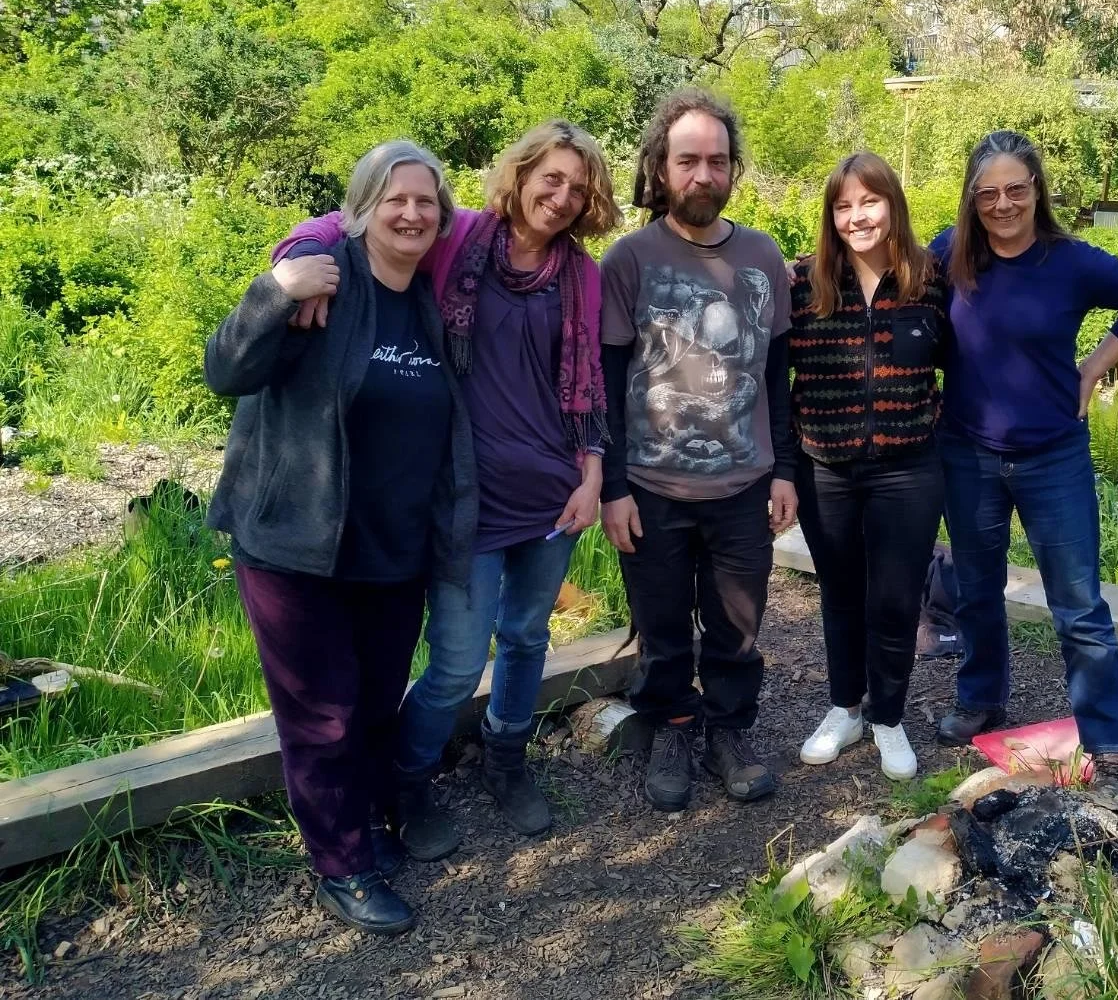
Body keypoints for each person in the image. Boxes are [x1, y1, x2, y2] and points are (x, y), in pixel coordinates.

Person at [271, 121, 619, 860]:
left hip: (554, 494)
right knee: (458, 662)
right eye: (551, 178)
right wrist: (296, 259)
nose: (562, 197)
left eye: (578, 187)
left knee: (526, 637)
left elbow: (589, 385)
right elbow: (349, 220)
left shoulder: (580, 274)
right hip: (464, 497)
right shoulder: (456, 236)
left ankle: (506, 757)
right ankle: (407, 779)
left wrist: (592, 474)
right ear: (520, 175)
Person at [205, 141, 477, 934]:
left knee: (373, 704)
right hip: (298, 545)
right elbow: (225, 371)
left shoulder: (428, 300)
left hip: (393, 551)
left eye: (426, 201)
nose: (412, 213)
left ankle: (357, 822)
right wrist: (274, 289)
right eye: (395, 199)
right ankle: (341, 866)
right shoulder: (321, 282)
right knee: (321, 715)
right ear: (361, 208)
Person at [928, 130, 1118, 796]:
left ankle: (1111, 746)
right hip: (968, 453)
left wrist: (1093, 368)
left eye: (1016, 189)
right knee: (976, 590)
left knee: (1079, 605)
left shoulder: (1071, 262)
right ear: (971, 198)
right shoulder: (949, 254)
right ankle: (981, 698)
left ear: (1037, 189)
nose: (1003, 204)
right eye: (988, 193)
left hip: (1053, 456)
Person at [600, 88, 796, 812]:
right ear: (661, 166)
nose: (703, 175)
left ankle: (729, 731)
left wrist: (785, 470)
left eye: (717, 160)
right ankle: (673, 727)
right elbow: (606, 384)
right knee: (660, 626)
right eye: (688, 160)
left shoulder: (762, 257)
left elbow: (776, 375)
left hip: (743, 484)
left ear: (733, 168)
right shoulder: (628, 259)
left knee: (737, 625)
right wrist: (613, 486)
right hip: (652, 487)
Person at [788, 152, 947, 781]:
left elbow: (963, 364)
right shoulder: (803, 285)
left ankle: (888, 717)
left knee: (896, 598)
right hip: (824, 467)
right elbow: (776, 380)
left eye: (870, 201)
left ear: (893, 206)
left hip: (909, 469)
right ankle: (844, 709)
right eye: (843, 206)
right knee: (840, 592)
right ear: (831, 216)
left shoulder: (930, 281)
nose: (857, 217)